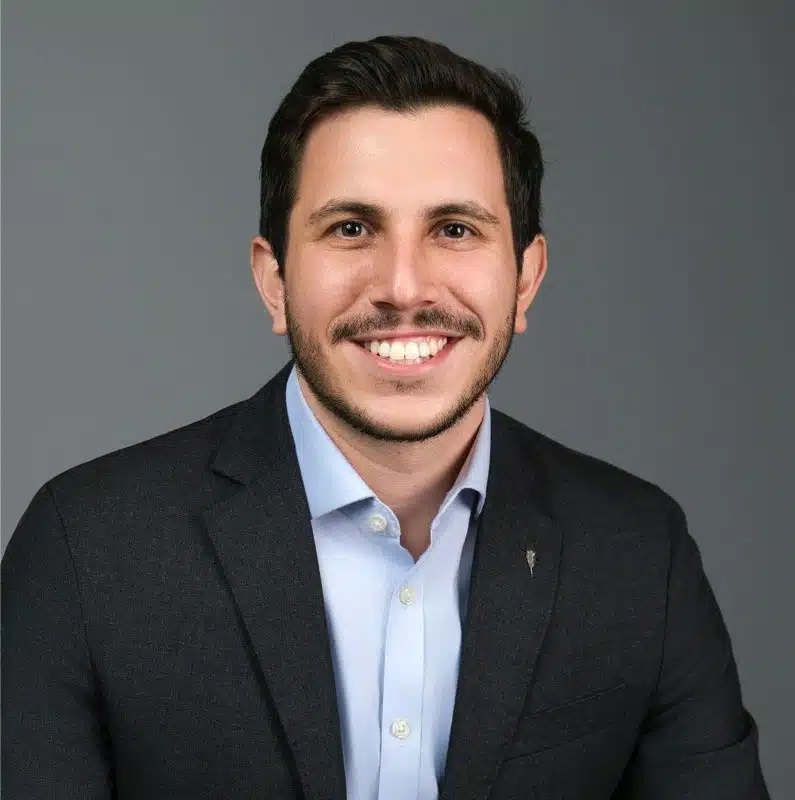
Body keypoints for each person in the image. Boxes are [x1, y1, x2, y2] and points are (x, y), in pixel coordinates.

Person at [2, 34, 768, 800]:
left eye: (455, 229)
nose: (403, 287)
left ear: (526, 279)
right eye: (350, 228)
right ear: (274, 281)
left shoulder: (637, 551)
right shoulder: (86, 547)